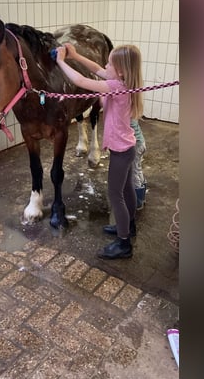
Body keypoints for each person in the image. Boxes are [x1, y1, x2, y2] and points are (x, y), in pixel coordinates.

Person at [55, 43, 144, 259]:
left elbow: (81, 81)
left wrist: (60, 61)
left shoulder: (116, 85)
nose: (105, 65)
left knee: (115, 195)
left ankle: (124, 243)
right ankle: (129, 226)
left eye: (109, 63)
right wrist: (76, 55)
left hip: (121, 152)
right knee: (126, 190)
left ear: (120, 70)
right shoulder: (125, 81)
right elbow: (96, 69)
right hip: (127, 148)